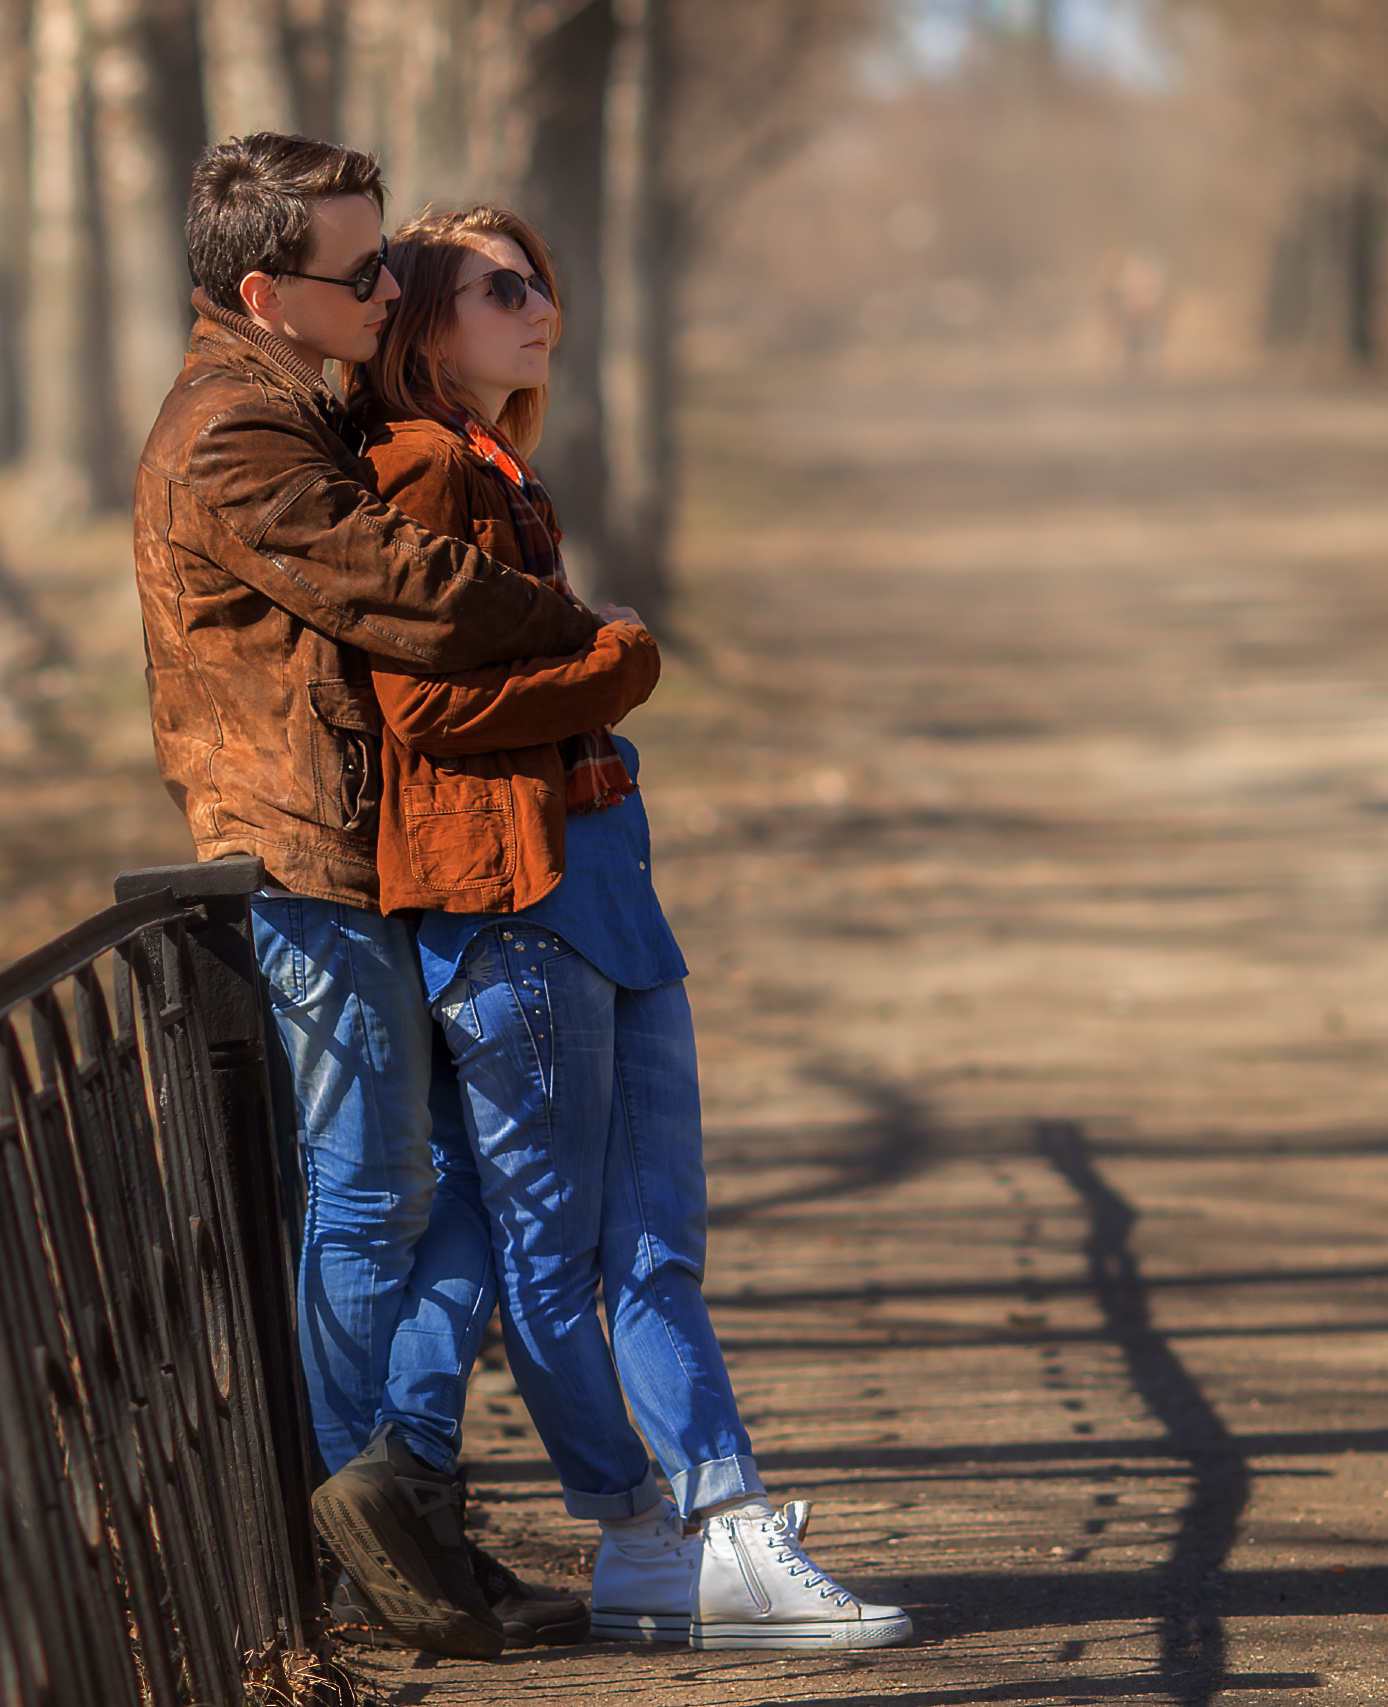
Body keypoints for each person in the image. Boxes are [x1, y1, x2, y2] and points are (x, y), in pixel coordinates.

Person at [341, 205, 915, 1652]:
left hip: (600, 879)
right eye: (505, 288)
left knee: (654, 1237)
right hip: (514, 894)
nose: (543, 308)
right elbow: (425, 712)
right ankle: (681, 1524)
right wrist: (611, 666)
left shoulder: (495, 466)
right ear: (422, 316)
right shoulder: (417, 469)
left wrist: (599, 670)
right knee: (550, 1252)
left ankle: (677, 1543)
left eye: (547, 286)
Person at [137, 134, 598, 1657]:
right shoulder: (233, 438)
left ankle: (407, 1521)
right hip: (296, 858)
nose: (392, 283)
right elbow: (401, 583)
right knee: (373, 1194)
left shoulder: (291, 401)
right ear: (267, 291)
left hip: (350, 848)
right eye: (364, 269)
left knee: (415, 1189)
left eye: (393, 254)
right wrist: (582, 633)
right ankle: (359, 1542)